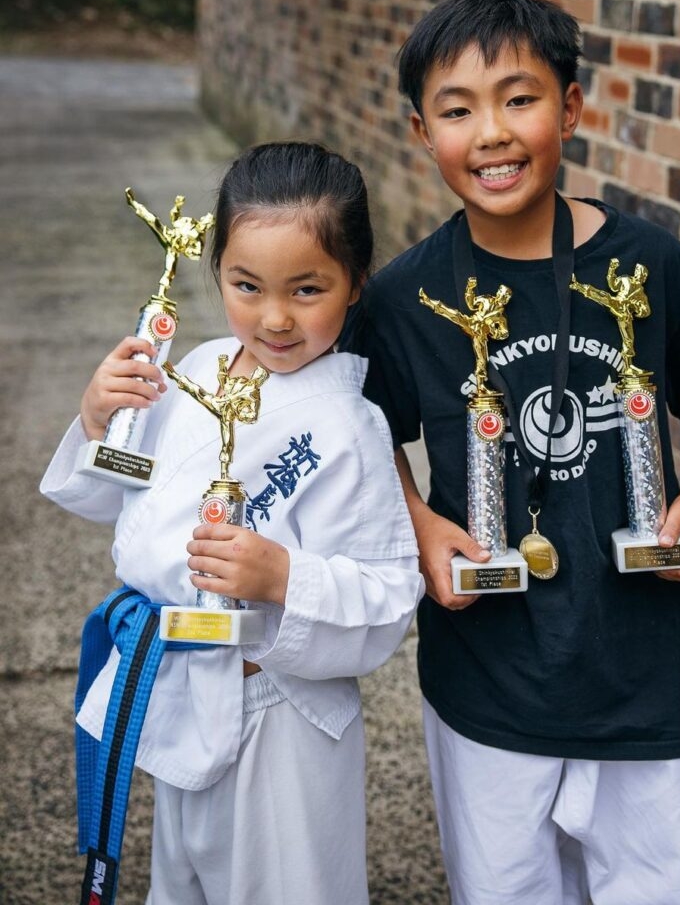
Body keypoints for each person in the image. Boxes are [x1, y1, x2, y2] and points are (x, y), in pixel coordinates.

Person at [343, 0, 680, 905]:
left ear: (570, 107)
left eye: (518, 98)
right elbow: (359, 435)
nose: (489, 132)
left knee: (669, 882)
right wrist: (415, 523)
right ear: (422, 132)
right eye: (457, 110)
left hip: (647, 666)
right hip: (488, 677)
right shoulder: (404, 298)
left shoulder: (654, 267)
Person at [41, 142, 424, 905]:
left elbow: (387, 594)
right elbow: (121, 498)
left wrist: (284, 577)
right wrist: (98, 421)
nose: (274, 318)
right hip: (175, 678)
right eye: (246, 286)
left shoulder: (350, 425)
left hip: (277, 709)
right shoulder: (197, 370)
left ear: (353, 286)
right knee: (184, 881)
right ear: (216, 271)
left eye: (306, 289)